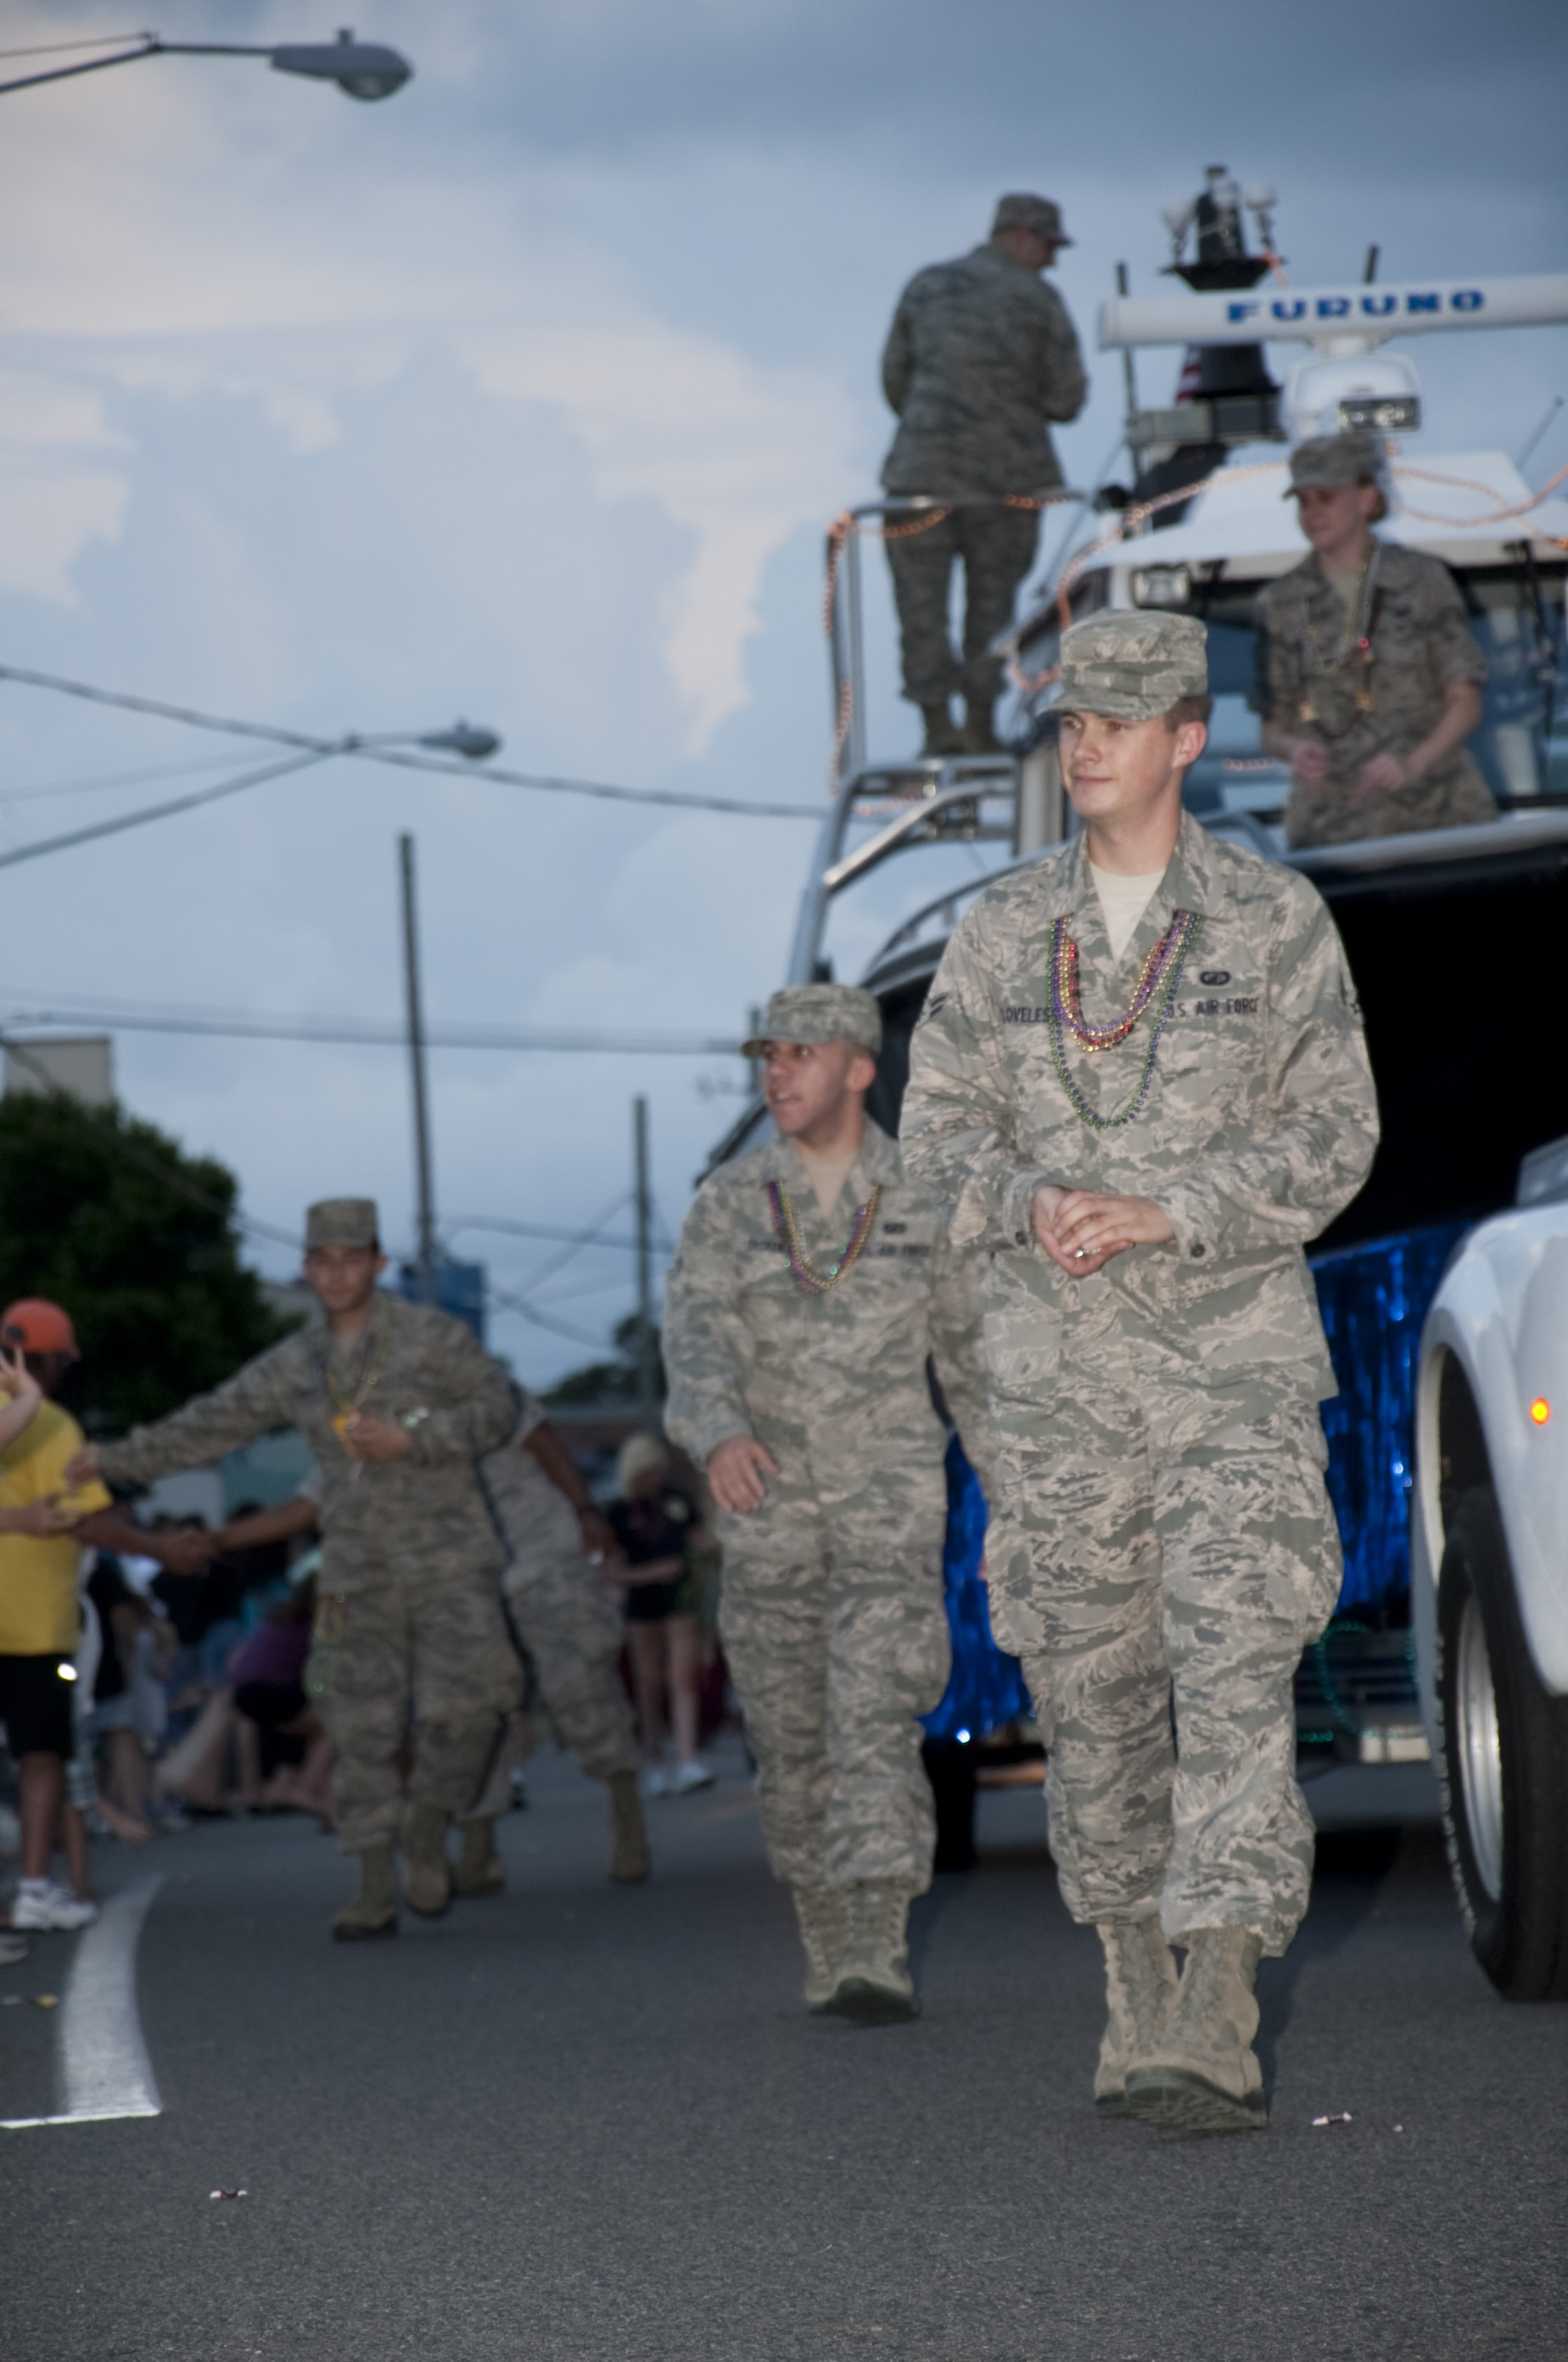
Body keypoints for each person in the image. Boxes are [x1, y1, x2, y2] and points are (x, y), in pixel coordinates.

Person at [900, 612, 1380, 2131]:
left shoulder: (1271, 914)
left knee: (1231, 1665)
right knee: (1097, 1695)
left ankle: (1221, 1992)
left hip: (1229, 1364)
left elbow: (1335, 1130)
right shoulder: (993, 931)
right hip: (1050, 1387)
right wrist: (1026, 1201)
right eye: (1068, 719)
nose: (1084, 739)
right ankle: (1130, 1976)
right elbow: (934, 1141)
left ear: (1187, 736)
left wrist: (1179, 1206)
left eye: (1119, 716)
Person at [663, 984, 990, 2022]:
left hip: (890, 1505)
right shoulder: (728, 1201)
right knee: (794, 1740)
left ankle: (876, 1941)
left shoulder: (926, 1195)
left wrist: (1017, 1498)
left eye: (801, 1054)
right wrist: (714, 1432)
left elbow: (973, 1361)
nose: (776, 1073)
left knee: (873, 1723)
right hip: (768, 1514)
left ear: (858, 1067)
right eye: (769, 1055)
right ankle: (822, 1918)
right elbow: (696, 1338)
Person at [67, 1200, 518, 1941]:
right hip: (354, 1570)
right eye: (323, 1260)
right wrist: (112, 1458)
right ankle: (373, 1880)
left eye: (352, 1258)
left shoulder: (432, 1338)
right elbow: (213, 1420)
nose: (338, 1273)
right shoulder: (297, 1364)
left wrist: (416, 1438)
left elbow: (497, 1407)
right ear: (308, 1269)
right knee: (359, 1722)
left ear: (378, 1262)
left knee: (479, 1705)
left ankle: (428, 1820)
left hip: (451, 1560)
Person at [0, 1301, 209, 1930]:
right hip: (33, 1624)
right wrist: (162, 1548)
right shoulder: (53, 1425)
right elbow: (87, 1520)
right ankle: (37, 1887)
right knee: (43, 1758)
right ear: (57, 1361)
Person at [880, 192, 1088, 758]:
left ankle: (936, 727)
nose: (1052, 260)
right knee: (993, 609)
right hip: (1007, 485)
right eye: (1048, 246)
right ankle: (976, 723)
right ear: (1021, 235)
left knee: (919, 608)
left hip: (921, 477)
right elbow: (1068, 398)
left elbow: (894, 381)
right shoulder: (1039, 298)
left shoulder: (926, 286)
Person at [1254, 430, 1495, 848]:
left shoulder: (1423, 582)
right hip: (1331, 836)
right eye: (1303, 501)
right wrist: (1293, 749)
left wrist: (1413, 765)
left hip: (1441, 822)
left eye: (1326, 497)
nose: (1312, 513)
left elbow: (1466, 701)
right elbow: (1272, 726)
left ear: (1367, 499)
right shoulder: (1280, 603)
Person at [474, 1397, 652, 1880]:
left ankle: (627, 1816)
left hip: (544, 1554)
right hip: (469, 1574)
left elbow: (542, 1440)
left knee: (581, 1686)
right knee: (470, 1708)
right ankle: (478, 1843)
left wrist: (586, 1511)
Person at [608, 1433, 714, 1799]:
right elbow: (611, 1571)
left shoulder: (676, 1501)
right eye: (647, 1472)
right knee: (649, 1684)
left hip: (680, 1602)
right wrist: (654, 1572)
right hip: (642, 1608)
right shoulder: (618, 1512)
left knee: (682, 1679)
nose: (654, 1478)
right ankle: (655, 1761)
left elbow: (702, 1540)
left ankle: (688, 1759)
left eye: (658, 1471)